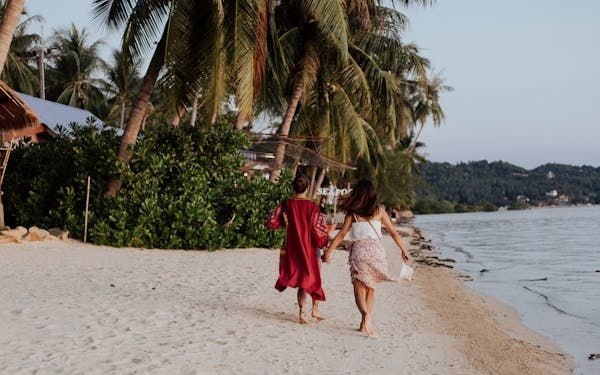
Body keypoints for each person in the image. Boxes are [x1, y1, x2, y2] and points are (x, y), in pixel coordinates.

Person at [322, 179, 410, 336]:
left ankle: (365, 316)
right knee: (371, 288)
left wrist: (329, 251)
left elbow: (341, 235)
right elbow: (394, 233)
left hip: (359, 253)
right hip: (377, 253)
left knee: (358, 289)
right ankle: (365, 324)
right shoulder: (380, 211)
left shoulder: (353, 213)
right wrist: (404, 251)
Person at [267, 174, 330, 324]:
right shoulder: (312, 207)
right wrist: (324, 243)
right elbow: (318, 230)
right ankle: (314, 309)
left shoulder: (286, 204)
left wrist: (285, 221)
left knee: (303, 279)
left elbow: (272, 222)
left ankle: (304, 312)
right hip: (310, 247)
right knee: (312, 277)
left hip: (292, 248)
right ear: (308, 188)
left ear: (292, 187)